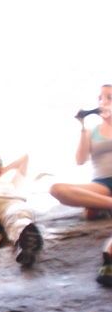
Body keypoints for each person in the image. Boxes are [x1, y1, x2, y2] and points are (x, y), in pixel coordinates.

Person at [49, 85, 112, 218]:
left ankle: (99, 205)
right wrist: (82, 126)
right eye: (100, 98)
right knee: (56, 189)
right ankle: (105, 203)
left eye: (109, 98)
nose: (104, 102)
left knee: (91, 213)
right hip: (101, 185)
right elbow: (80, 160)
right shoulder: (90, 132)